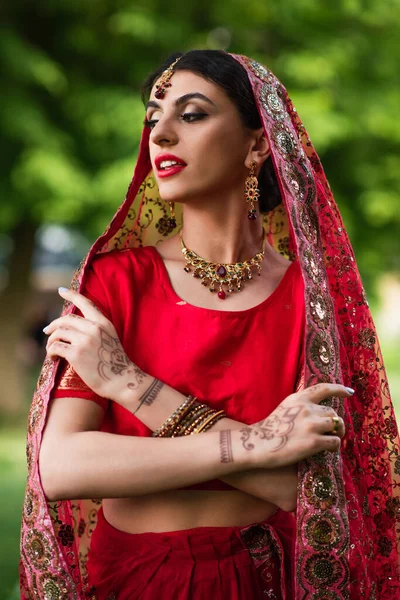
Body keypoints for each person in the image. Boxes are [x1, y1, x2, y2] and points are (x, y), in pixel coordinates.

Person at [19, 50, 399, 599]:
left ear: (257, 143)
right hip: (137, 580)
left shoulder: (312, 299)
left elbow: (298, 490)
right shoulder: (115, 282)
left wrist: (129, 383)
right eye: (153, 118)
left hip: (269, 579)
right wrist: (255, 445)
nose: (161, 135)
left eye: (191, 114)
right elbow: (61, 467)